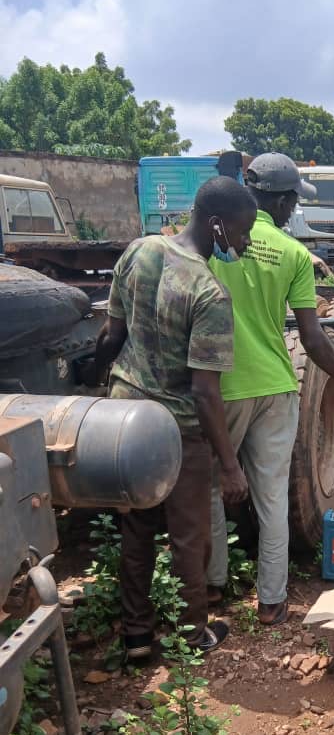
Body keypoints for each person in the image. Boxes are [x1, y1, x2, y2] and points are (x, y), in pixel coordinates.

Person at [90, 177, 257, 658]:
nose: (243, 242)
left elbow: (110, 336)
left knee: (137, 530)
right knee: (189, 536)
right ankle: (190, 636)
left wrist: (100, 380)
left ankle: (137, 635)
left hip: (125, 421)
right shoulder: (209, 293)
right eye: (242, 232)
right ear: (217, 223)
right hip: (178, 428)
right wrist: (230, 466)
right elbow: (205, 392)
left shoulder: (138, 252)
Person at [207, 152, 334, 626]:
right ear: (283, 198)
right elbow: (311, 337)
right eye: (294, 198)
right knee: (271, 495)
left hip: (222, 386)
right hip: (275, 384)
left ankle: (213, 586)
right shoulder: (293, 253)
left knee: (212, 487)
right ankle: (272, 599)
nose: (295, 207)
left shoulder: (214, 243)